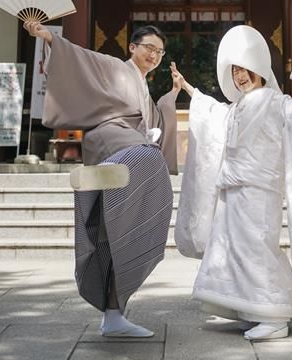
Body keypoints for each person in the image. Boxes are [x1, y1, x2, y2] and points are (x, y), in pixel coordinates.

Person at [23, 21, 181, 338]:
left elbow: (157, 121)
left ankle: (113, 315)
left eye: (160, 51)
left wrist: (173, 94)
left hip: (129, 152)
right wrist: (50, 37)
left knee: (114, 235)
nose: (154, 55)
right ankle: (106, 186)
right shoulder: (112, 66)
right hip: (112, 142)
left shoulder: (145, 89)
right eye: (149, 47)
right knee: (149, 157)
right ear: (132, 47)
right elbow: (79, 58)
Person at [172, 24, 292, 341]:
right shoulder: (237, 106)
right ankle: (249, 308)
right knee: (231, 250)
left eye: (245, 70)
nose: (240, 76)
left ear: (259, 69)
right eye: (235, 71)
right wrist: (188, 88)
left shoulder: (275, 100)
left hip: (259, 191)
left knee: (257, 248)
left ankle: (275, 313)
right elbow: (214, 114)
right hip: (233, 190)